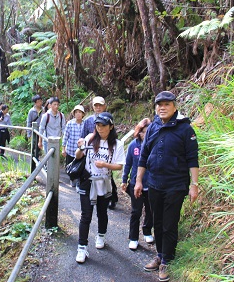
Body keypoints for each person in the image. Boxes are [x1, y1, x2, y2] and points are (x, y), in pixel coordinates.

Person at [134, 91, 199, 282]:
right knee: (158, 222)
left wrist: (194, 185)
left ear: (174, 106)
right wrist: (139, 180)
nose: (162, 108)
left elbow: (192, 159)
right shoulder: (153, 126)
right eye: (159, 104)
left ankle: (167, 261)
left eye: (166, 104)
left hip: (175, 185)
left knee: (169, 223)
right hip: (154, 183)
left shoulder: (185, 129)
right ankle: (160, 254)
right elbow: (144, 156)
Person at [74, 112, 126, 263]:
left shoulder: (117, 144)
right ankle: (82, 248)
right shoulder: (90, 138)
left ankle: (101, 235)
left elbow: (118, 166)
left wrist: (105, 165)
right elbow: (78, 156)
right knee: (86, 215)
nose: (100, 128)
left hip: (104, 182)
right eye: (98, 125)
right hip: (87, 181)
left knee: (102, 212)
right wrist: (81, 148)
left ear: (111, 126)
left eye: (103, 126)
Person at [122, 118, 154, 250]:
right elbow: (128, 164)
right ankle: (133, 237)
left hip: (152, 184)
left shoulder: (155, 145)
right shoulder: (133, 146)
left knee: (150, 210)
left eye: (148, 132)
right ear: (138, 132)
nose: (145, 135)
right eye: (142, 132)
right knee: (136, 212)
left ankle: (147, 231)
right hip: (136, 184)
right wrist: (124, 180)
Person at [81, 96, 118, 209]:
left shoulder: (109, 118)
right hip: (91, 153)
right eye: (96, 105)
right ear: (92, 107)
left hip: (105, 156)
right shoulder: (88, 120)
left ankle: (112, 198)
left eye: (100, 105)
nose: (98, 107)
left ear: (104, 106)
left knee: (107, 177)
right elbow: (83, 138)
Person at [62, 105, 86, 185]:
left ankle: (79, 180)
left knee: (80, 166)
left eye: (80, 112)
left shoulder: (85, 124)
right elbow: (65, 136)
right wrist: (63, 148)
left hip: (80, 150)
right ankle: (72, 179)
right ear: (74, 114)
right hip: (70, 149)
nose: (78, 114)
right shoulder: (70, 123)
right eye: (76, 112)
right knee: (71, 166)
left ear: (83, 114)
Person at [27, 94, 44, 169]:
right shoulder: (31, 111)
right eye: (38, 101)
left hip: (42, 132)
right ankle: (35, 162)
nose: (40, 103)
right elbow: (29, 122)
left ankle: (40, 161)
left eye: (41, 101)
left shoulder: (44, 110)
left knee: (42, 147)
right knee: (35, 148)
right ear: (35, 103)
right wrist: (29, 134)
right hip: (35, 132)